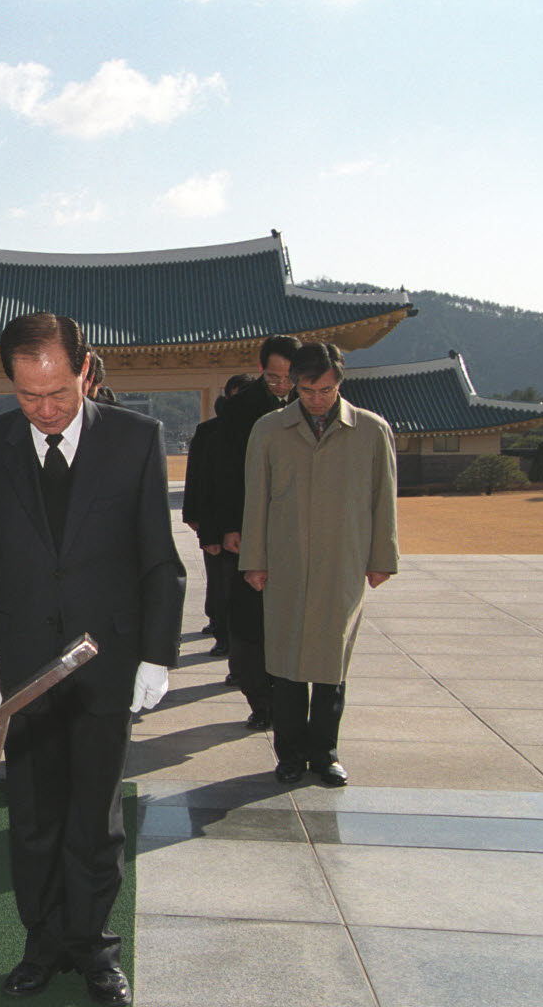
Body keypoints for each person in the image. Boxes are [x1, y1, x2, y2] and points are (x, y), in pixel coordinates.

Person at [0, 312, 184, 1004]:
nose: (46, 410)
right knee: (32, 814)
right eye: (28, 396)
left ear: (85, 370)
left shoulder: (135, 440)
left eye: (58, 392)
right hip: (24, 663)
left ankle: (93, 945)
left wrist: (157, 654)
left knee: (95, 814)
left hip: (107, 658)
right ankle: (42, 939)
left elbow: (159, 560)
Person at [241, 342, 399, 787]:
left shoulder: (371, 431)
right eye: (308, 389)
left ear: (340, 383)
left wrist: (381, 557)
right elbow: (256, 500)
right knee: (288, 665)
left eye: (326, 390)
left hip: (342, 562)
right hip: (286, 564)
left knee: (332, 664)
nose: (316, 399)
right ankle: (288, 754)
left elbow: (383, 498)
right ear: (294, 384)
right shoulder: (269, 430)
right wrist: (254, 559)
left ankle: (325, 753)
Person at [207, 335, 301, 728]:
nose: (282, 386)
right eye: (274, 377)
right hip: (247, 531)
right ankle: (261, 701)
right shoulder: (240, 410)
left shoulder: (309, 407)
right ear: (261, 369)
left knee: (292, 623)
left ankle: (291, 704)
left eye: (289, 378)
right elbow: (223, 473)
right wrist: (225, 527)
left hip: (295, 534)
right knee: (248, 624)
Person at [182, 373, 258, 659]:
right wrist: (197, 519)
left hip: (253, 524)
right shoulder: (209, 432)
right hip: (216, 521)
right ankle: (222, 632)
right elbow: (198, 480)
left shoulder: (263, 430)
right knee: (220, 584)